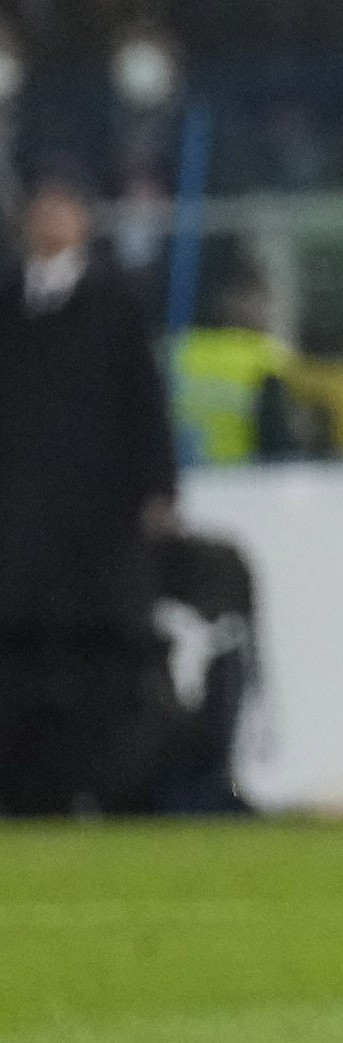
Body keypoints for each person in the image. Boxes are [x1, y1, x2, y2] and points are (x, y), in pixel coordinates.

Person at [0, 177, 175, 817]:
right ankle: (23, 792)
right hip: (18, 518)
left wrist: (158, 487)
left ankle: (106, 788)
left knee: (98, 655)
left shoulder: (117, 303)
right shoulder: (9, 302)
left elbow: (146, 403)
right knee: (19, 658)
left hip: (95, 519)